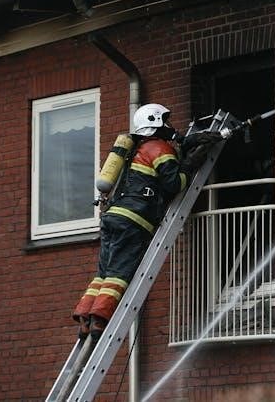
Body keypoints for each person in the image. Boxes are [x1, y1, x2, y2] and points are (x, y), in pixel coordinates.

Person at [72, 103, 217, 341]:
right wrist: (189, 166)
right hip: (134, 220)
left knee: (103, 273)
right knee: (119, 274)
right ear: (157, 121)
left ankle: (85, 317)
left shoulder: (134, 149)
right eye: (165, 120)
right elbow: (174, 185)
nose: (170, 125)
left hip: (112, 216)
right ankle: (99, 318)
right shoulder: (159, 148)